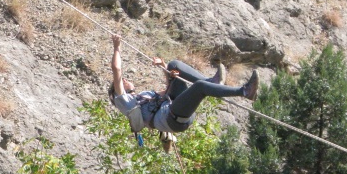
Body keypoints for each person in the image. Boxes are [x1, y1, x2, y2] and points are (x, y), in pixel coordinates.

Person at [109, 34, 258, 146]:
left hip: (174, 109)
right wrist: (117, 47)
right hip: (172, 119)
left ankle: (212, 82)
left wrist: (163, 67)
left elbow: (168, 90)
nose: (125, 79)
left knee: (173, 65)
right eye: (123, 81)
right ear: (117, 91)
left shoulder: (142, 97)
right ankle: (244, 91)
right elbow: (116, 69)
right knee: (199, 87)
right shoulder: (124, 102)